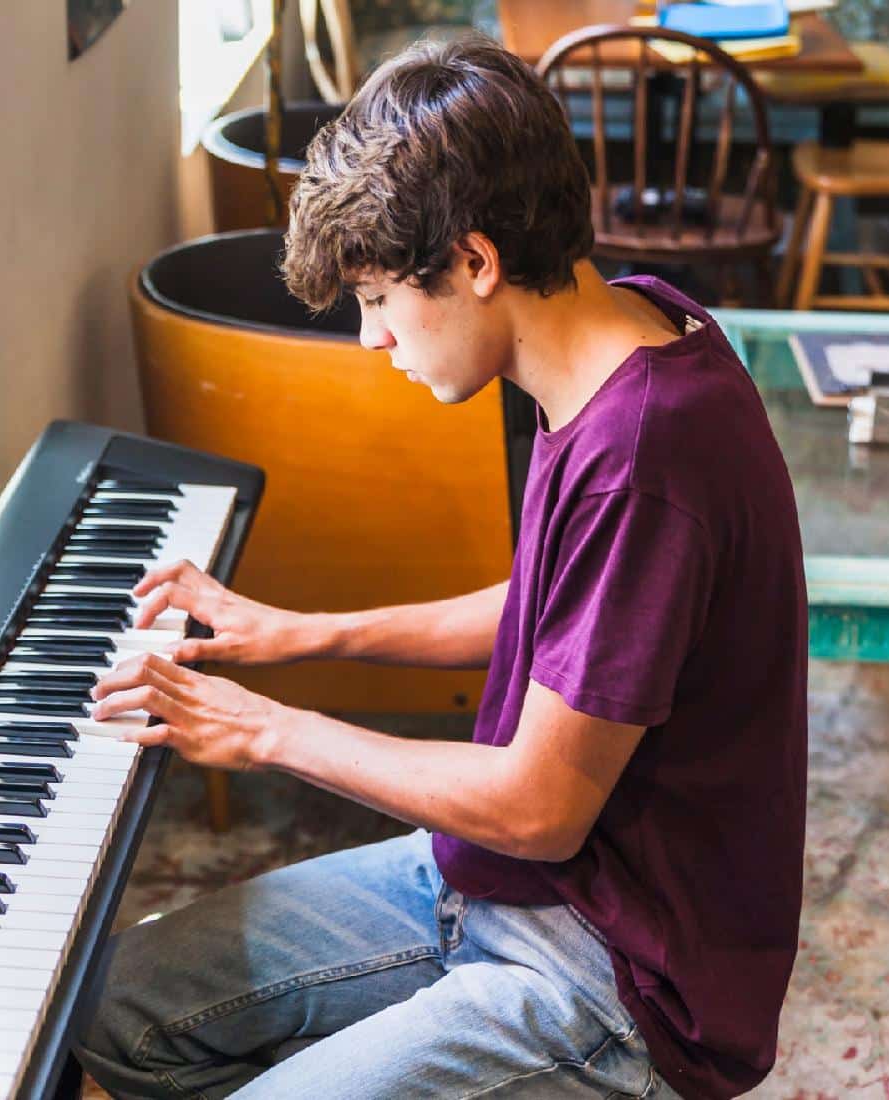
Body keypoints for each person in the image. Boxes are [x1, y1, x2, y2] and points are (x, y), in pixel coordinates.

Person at [74, 34, 808, 1100]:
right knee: (111, 1004)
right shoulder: (628, 323)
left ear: (473, 263)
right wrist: (302, 631)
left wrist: (267, 726)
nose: (373, 339)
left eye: (377, 298)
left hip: (615, 970)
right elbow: (562, 607)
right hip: (502, 881)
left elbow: (535, 806)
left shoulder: (648, 455)